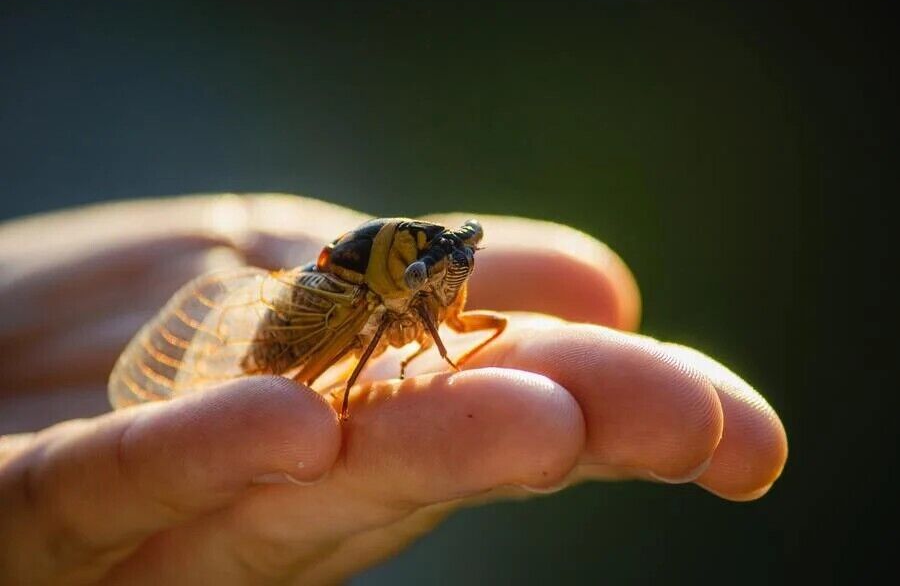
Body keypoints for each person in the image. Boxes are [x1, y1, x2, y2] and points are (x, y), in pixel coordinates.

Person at [0, 194, 787, 584]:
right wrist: (362, 369)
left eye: (460, 263)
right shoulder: (353, 297)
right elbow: (378, 333)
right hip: (301, 326)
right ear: (397, 270)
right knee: (289, 397)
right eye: (433, 271)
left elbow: (443, 320)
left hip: (370, 302)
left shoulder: (428, 274)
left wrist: (432, 313)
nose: (455, 274)